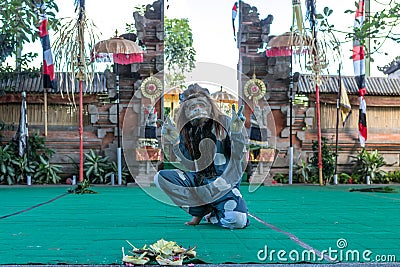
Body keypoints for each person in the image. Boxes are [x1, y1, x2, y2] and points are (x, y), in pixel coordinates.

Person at [154, 84, 249, 229]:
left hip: (224, 186)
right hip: (200, 183)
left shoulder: (225, 123)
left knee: (237, 220)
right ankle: (201, 210)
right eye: (192, 107)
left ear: (210, 107)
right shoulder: (187, 130)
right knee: (160, 178)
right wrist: (175, 141)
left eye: (201, 105)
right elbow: (189, 163)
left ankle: (213, 214)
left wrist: (237, 133)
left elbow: (238, 154)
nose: (197, 109)